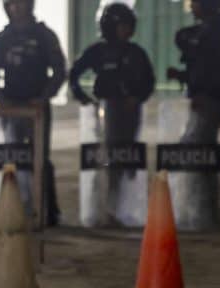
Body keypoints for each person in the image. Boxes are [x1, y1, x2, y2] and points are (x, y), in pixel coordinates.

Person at [69, 2, 154, 226]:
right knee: (106, 162)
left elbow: (149, 81)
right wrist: (84, 98)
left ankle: (125, 208)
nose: (127, 30)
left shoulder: (136, 53)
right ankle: (105, 209)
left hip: (131, 114)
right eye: (123, 25)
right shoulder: (98, 51)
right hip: (105, 115)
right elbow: (74, 74)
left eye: (129, 25)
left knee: (129, 160)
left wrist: (137, 98)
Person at [0, 0, 66, 226]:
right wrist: (0, 96)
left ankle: (48, 212)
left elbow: (60, 70)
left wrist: (44, 97)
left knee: (40, 158)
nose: (16, 8)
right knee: (14, 158)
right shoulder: (3, 38)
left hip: (37, 108)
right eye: (12, 4)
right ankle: (15, 209)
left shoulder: (44, 35)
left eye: (20, 3)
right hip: (12, 108)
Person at [166, 0, 220, 229]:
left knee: (196, 155)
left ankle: (202, 214)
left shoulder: (219, 30)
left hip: (211, 100)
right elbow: (199, 62)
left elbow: (216, 70)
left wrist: (202, 90)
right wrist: (183, 76)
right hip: (208, 97)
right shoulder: (213, 28)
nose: (191, 7)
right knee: (203, 156)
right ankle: (204, 212)